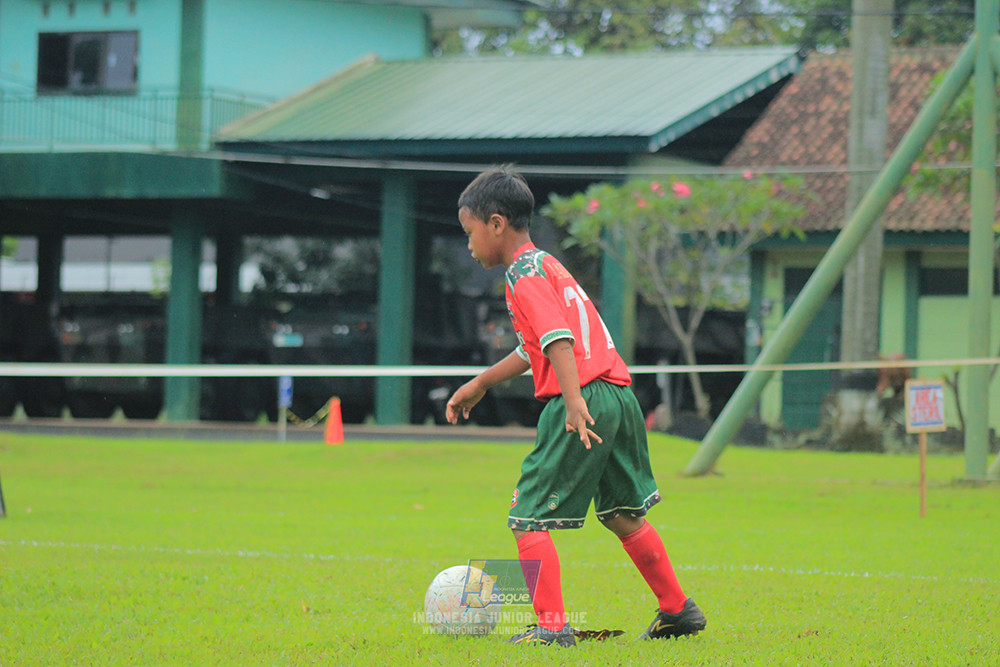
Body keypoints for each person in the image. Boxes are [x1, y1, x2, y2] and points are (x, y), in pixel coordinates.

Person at [446, 165, 707, 646]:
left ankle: (551, 628)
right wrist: (480, 383)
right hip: (617, 395)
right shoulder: (547, 264)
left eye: (470, 233)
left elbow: (558, 341)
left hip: (584, 395)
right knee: (622, 513)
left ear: (496, 223)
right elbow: (534, 348)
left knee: (526, 515)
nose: (469, 244)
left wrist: (571, 402)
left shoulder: (522, 274)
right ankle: (677, 610)